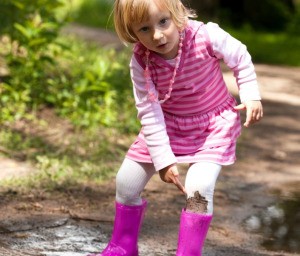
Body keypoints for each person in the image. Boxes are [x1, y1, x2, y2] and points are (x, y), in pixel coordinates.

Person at [87, 0, 263, 255]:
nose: (157, 35)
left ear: (176, 13)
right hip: (166, 125)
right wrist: (163, 160)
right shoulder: (141, 61)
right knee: (125, 182)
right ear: (132, 32)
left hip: (211, 126)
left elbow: (241, 57)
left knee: (198, 189)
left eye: (163, 22)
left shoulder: (205, 35)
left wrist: (250, 95)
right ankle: (122, 246)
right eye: (144, 29)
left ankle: (188, 252)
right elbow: (149, 111)